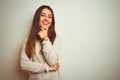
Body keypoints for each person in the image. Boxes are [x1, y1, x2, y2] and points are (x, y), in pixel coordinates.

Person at [20, 5, 62, 80]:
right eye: (42, 15)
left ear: (52, 21)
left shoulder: (56, 38)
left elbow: (53, 62)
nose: (46, 19)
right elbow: (24, 64)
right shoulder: (28, 40)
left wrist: (45, 39)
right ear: (37, 18)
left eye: (49, 17)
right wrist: (48, 68)